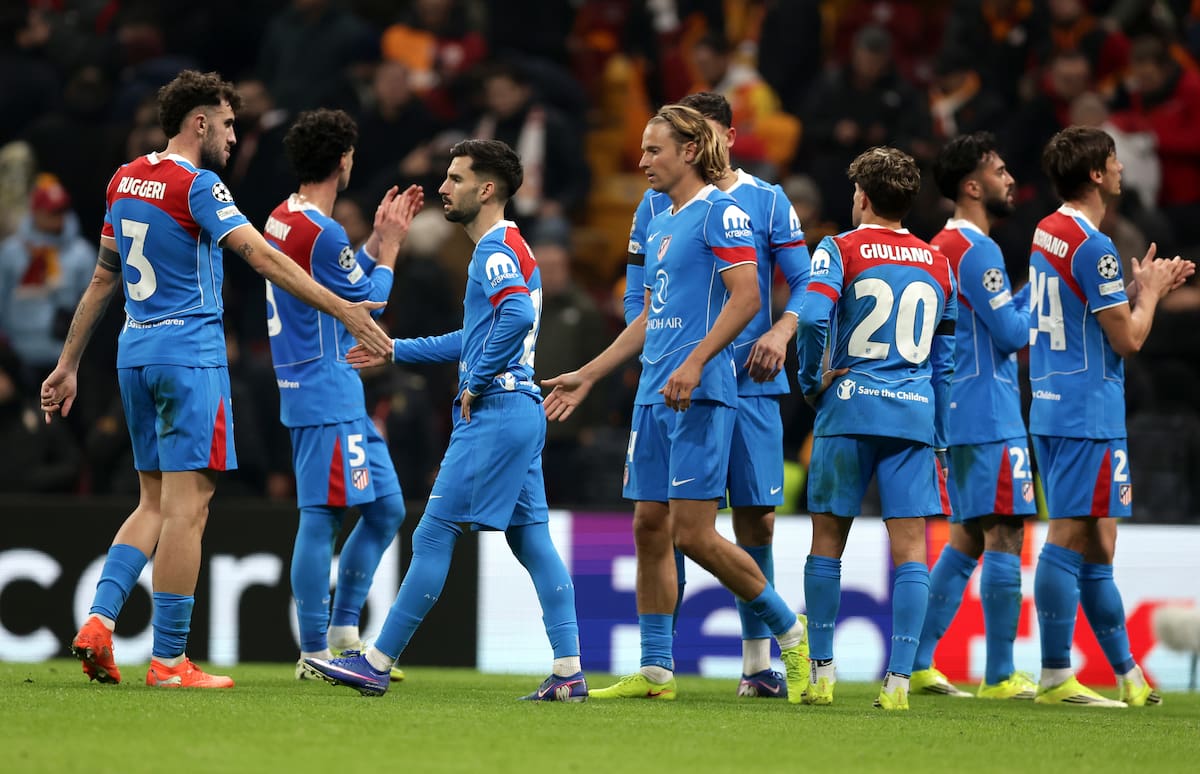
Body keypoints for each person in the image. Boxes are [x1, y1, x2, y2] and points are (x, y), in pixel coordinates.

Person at [39, 69, 392, 689]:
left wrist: (67, 364)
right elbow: (261, 256)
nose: (234, 135)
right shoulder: (200, 185)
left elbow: (102, 278)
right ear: (199, 122)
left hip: (133, 353)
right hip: (190, 356)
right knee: (189, 508)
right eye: (228, 124)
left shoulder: (124, 179)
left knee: (151, 501)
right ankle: (170, 660)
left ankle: (99, 619)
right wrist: (344, 310)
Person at [303, 139, 588, 701]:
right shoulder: (510, 246)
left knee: (434, 532)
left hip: (498, 409)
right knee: (532, 540)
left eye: (455, 178)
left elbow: (511, 317)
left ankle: (377, 662)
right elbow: (478, 333)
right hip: (521, 409)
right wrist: (396, 350)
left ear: (486, 189)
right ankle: (568, 670)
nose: (442, 188)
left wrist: (477, 380)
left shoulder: (492, 250)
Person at [542, 104, 809, 702]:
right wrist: (587, 375)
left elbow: (748, 297)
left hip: (709, 387)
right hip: (655, 389)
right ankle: (657, 669)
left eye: (653, 150)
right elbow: (648, 314)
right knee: (649, 524)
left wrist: (703, 359)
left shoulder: (732, 211)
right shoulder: (659, 220)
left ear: (692, 149)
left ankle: (787, 635)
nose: (640, 162)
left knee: (703, 531)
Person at [623, 92, 809, 698]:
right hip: (674, 375)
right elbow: (641, 297)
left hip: (748, 379)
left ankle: (760, 664)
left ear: (718, 136)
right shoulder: (654, 204)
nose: (653, 156)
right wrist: (651, 358)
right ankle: (659, 665)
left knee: (751, 517)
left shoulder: (765, 200)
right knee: (659, 520)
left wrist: (782, 330)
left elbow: (803, 283)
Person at [1028, 125, 1192, 707]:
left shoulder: (1048, 230)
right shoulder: (1094, 244)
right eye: (1115, 160)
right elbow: (1127, 340)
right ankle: (1053, 674)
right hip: (1086, 410)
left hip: (1051, 402)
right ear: (1096, 173)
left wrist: (1125, 289)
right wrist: (1149, 293)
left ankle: (1127, 676)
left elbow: (1077, 310)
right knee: (1071, 534)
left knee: (1098, 541)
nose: (1123, 167)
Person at [263, 108, 423, 682]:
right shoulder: (321, 232)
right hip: (323, 389)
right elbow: (368, 301)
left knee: (385, 510)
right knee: (324, 517)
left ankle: (344, 635)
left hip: (333, 388)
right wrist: (394, 244)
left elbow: (334, 277)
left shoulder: (285, 217)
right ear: (343, 162)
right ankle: (312, 651)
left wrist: (375, 238)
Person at [797, 146, 957, 711]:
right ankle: (898, 684)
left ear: (861, 196)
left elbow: (814, 316)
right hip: (913, 413)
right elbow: (946, 356)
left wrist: (811, 377)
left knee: (827, 542)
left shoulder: (838, 248)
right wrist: (935, 425)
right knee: (912, 550)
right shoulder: (939, 262)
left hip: (849, 406)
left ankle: (821, 674)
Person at [912, 131, 1036, 700]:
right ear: (972, 185)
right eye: (1000, 169)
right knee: (1007, 531)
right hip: (990, 412)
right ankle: (1001, 675)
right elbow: (1011, 333)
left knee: (967, 538)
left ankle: (917, 662)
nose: (1009, 179)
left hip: (953, 413)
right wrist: (1043, 289)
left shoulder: (938, 246)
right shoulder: (978, 250)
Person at [0, 174, 95, 388]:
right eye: (51, 212)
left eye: (62, 210)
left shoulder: (81, 254)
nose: (58, 217)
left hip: (65, 355)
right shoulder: (10, 252)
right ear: (36, 212)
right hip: (16, 355)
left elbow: (93, 305)